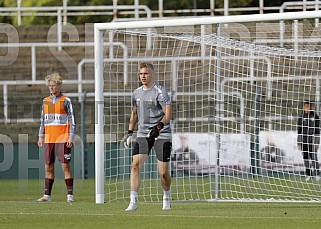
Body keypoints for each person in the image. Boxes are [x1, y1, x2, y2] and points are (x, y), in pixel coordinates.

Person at [122, 62, 172, 211]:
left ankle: (167, 196)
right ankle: (133, 202)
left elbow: (168, 114)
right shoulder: (136, 93)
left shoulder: (160, 92)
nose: (143, 76)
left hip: (162, 133)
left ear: (152, 74)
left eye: (146, 73)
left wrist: (159, 127)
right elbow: (134, 113)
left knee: (163, 172)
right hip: (143, 134)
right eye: (141, 74)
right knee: (135, 165)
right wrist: (129, 132)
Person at [34, 73, 76, 202]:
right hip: (49, 138)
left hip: (62, 138)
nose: (52, 88)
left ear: (59, 85)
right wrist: (41, 136)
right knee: (48, 166)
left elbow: (72, 119)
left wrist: (71, 137)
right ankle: (47, 195)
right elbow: (43, 120)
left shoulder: (66, 100)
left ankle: (70, 196)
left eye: (54, 85)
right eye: (50, 86)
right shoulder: (45, 101)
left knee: (65, 166)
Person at [297, 100, 320, 181]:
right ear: (303, 107)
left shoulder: (315, 117)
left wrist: (317, 142)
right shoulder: (301, 117)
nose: (307, 108)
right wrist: (299, 142)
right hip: (304, 141)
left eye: (308, 106)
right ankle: (308, 174)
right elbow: (299, 130)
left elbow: (317, 130)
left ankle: (317, 174)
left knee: (313, 157)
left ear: (310, 107)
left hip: (312, 141)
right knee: (306, 158)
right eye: (305, 106)